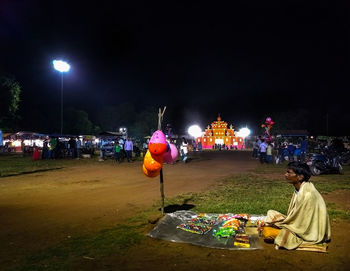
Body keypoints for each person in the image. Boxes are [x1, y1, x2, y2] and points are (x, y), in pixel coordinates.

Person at [262, 161, 331, 251]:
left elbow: (304, 225)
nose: (285, 174)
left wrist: (285, 225)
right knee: (271, 213)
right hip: (298, 224)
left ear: (300, 177)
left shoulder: (308, 194)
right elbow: (298, 216)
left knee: (268, 233)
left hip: (309, 232)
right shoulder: (301, 188)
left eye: (289, 172)